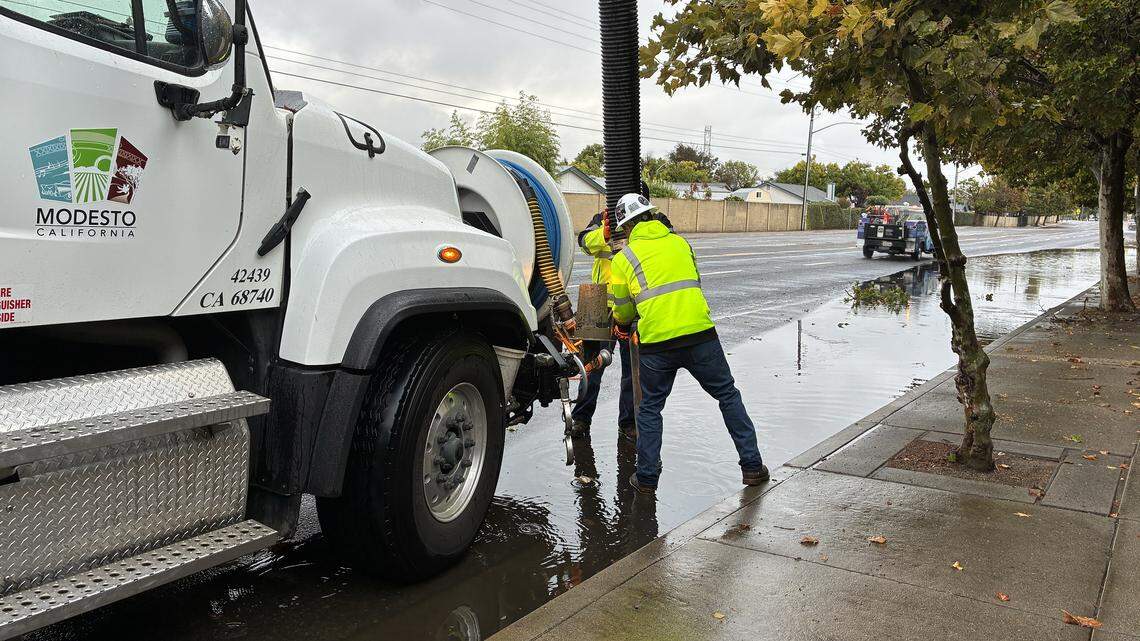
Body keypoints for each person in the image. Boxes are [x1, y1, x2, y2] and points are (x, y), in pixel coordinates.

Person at [607, 193, 768, 494]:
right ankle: (752, 467)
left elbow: (624, 311)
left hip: (657, 343)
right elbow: (693, 281)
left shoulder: (623, 259)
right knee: (727, 395)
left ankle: (646, 479)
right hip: (700, 335)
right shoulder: (681, 243)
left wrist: (621, 324)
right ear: (650, 216)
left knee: (650, 407)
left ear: (626, 227)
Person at [572, 209, 636, 440]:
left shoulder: (650, 219)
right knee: (589, 367)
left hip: (632, 302)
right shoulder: (604, 216)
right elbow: (585, 243)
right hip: (596, 299)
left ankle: (628, 423)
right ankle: (580, 419)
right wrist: (604, 233)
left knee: (632, 372)